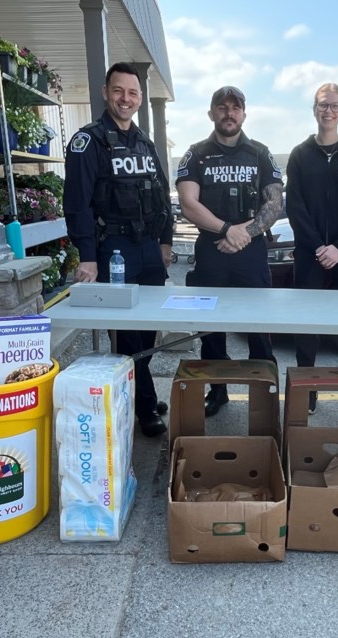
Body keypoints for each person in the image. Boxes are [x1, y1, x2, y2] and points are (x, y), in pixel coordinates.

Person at [63, 62, 173, 438]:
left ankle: (142, 391)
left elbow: (161, 195)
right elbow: (76, 204)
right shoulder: (89, 141)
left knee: (149, 331)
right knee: (127, 335)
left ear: (140, 98)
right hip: (115, 251)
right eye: (118, 91)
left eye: (132, 93)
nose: (125, 99)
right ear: (105, 92)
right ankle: (145, 410)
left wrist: (166, 241)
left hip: (149, 250)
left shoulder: (144, 142)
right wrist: (88, 257)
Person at [175, 86, 285, 417]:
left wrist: (244, 233)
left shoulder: (260, 154)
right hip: (211, 249)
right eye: (221, 107)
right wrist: (226, 230)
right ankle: (217, 391)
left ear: (244, 114)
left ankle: (264, 389)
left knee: (259, 324)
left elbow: (274, 203)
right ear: (211, 114)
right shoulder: (195, 154)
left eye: (235, 107)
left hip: (250, 251)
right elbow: (188, 203)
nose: (229, 112)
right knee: (210, 328)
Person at [285, 82, 338, 417]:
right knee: (306, 327)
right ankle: (308, 389)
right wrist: (318, 246)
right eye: (323, 105)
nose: (329, 111)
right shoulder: (300, 155)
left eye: (335, 106)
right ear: (314, 109)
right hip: (309, 255)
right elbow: (296, 208)